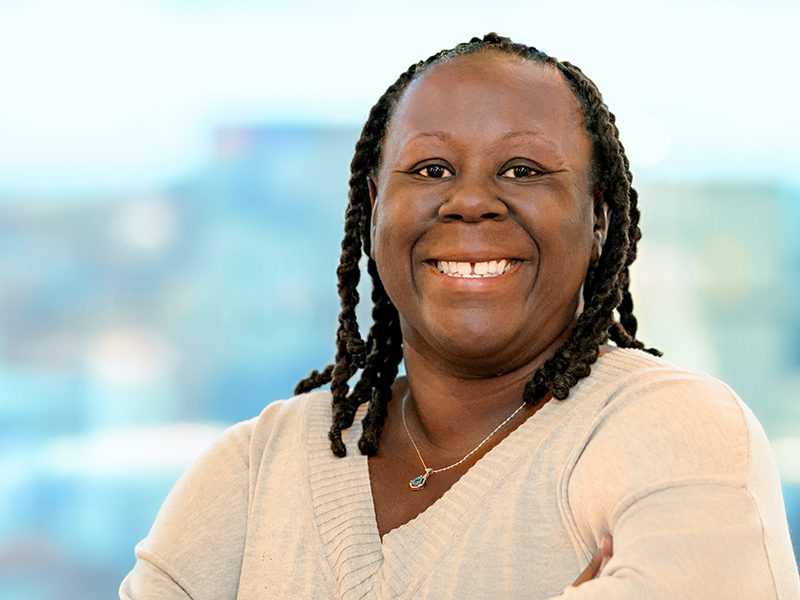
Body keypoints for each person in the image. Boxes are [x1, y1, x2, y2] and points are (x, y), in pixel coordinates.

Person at [120, 33, 800, 599]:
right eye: (433, 169)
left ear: (599, 217)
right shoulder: (256, 466)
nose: (471, 201)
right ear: (375, 207)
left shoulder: (675, 431)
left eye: (524, 169)